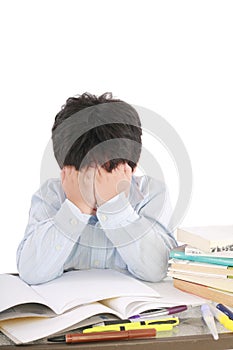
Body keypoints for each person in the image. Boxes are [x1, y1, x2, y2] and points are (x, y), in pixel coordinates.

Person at [16, 92, 177, 285]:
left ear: (131, 168)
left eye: (105, 176)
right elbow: (31, 272)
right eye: (85, 178)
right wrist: (76, 208)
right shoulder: (51, 195)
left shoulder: (151, 194)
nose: (94, 191)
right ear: (65, 170)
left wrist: (114, 206)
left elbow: (158, 270)